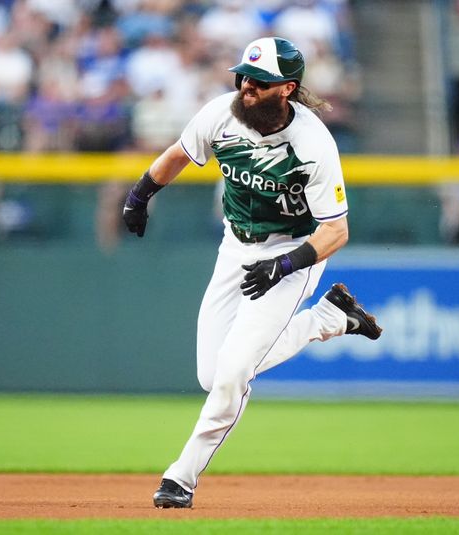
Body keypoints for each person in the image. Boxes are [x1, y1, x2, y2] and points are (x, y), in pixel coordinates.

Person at [121, 36, 382, 509]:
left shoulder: (312, 142)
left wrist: (284, 265)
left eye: (258, 82)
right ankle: (331, 319)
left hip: (294, 251)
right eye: (243, 76)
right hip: (236, 244)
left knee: (233, 373)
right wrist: (141, 195)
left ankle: (181, 477)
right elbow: (179, 152)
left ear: (286, 88)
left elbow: (336, 231)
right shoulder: (222, 112)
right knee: (211, 374)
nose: (246, 87)